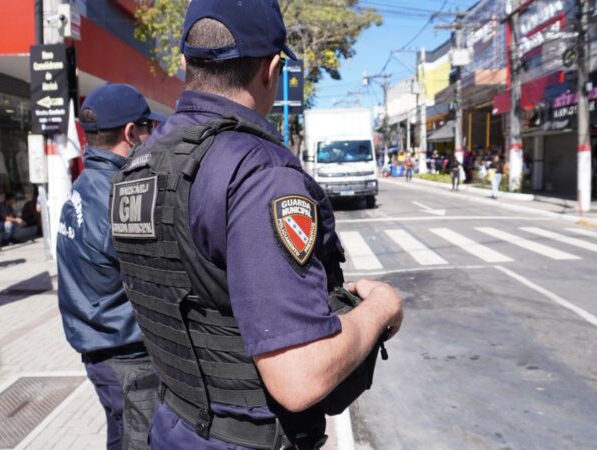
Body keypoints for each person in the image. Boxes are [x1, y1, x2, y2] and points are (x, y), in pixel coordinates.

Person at [110, 3, 404, 449]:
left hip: (172, 425)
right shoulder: (259, 173)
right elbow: (299, 375)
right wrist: (381, 308)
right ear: (271, 70)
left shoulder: (140, 164)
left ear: (186, 63)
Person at [57, 83, 160, 450]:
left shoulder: (85, 185)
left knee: (121, 436)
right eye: (148, 127)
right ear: (132, 133)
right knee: (140, 441)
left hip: (102, 349)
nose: (153, 135)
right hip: (126, 356)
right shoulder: (121, 195)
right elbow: (157, 280)